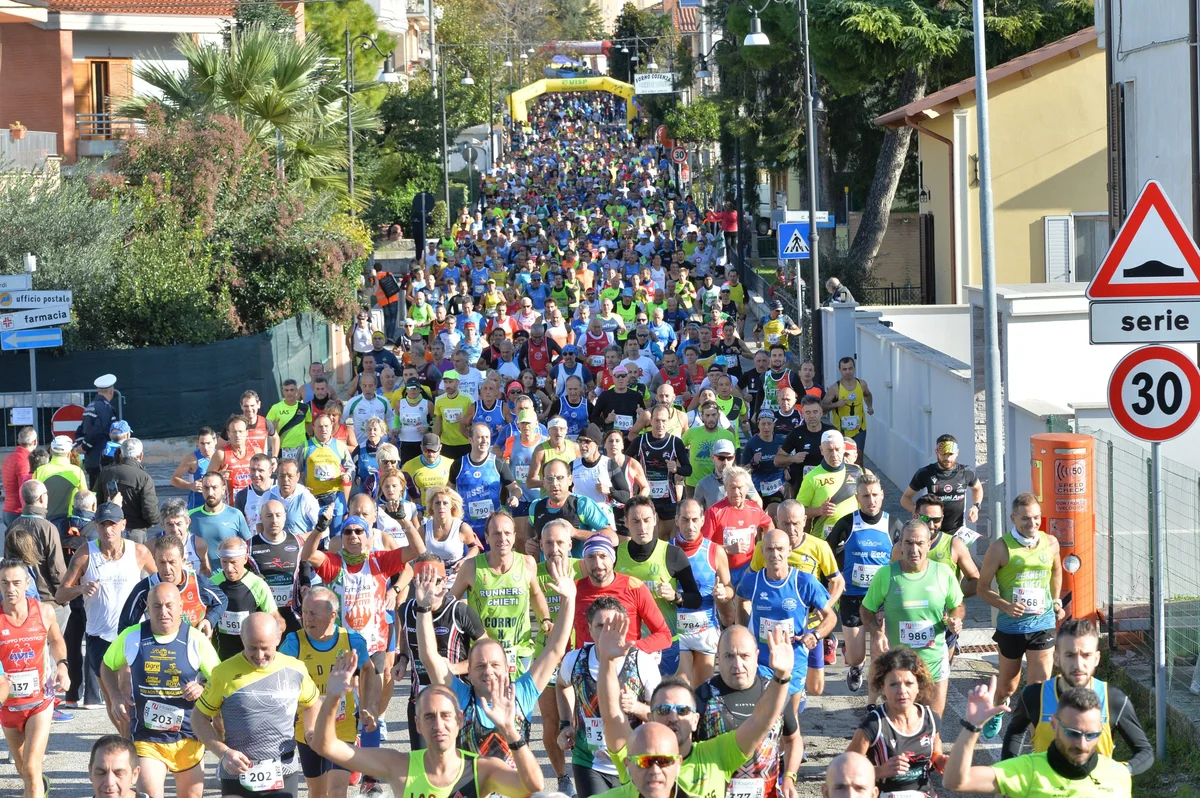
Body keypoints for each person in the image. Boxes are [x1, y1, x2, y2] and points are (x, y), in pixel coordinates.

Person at [594, 612, 795, 798]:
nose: (673, 717)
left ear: (695, 719)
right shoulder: (636, 754)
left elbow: (760, 720)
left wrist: (782, 676)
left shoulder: (716, 754)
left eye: (682, 710)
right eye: (664, 710)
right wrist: (607, 661)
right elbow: (612, 717)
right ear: (651, 717)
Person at [310, 651, 546, 798]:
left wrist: (512, 733)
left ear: (459, 720)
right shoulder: (399, 765)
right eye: (429, 717)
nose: (438, 725)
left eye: (446, 716)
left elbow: (533, 785)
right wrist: (332, 698)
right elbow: (326, 746)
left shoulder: (481, 769)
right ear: (418, 724)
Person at [415, 555, 577, 763]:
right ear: (469, 672)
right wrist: (424, 608)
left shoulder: (521, 694)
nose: (488, 671)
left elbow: (555, 650)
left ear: (508, 668)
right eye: (480, 666)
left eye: (495, 665)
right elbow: (429, 657)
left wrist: (569, 599)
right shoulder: (462, 697)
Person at [101, 583, 220, 798]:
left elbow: (220, 681)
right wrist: (115, 696)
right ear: (147, 608)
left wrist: (203, 688)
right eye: (156, 606)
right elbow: (107, 665)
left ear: (181, 607)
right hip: (147, 737)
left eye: (169, 605)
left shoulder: (195, 639)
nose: (163, 612)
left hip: (188, 736)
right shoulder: (132, 636)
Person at [1001, 617, 1152, 774]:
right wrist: (1008, 776)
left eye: (1086, 655)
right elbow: (1015, 733)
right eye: (1070, 655)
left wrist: (1121, 771)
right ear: (1056, 658)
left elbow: (1145, 752)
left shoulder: (1113, 700)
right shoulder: (1034, 696)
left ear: (1096, 658)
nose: (1079, 665)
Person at [192, 613, 320, 798]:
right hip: (237, 771)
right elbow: (198, 717)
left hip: (283, 770)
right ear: (242, 638)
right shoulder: (223, 673)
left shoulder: (296, 668)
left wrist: (310, 730)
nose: (259, 656)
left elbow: (312, 703)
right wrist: (223, 753)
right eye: (252, 648)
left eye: (265, 648)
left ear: (278, 638)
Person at [943, 676, 1132, 797]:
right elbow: (955, 781)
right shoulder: (1027, 771)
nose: (1082, 744)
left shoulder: (1119, 775)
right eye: (1072, 733)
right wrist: (972, 726)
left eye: (1091, 734)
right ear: (1054, 725)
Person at [55, 502, 155, 721]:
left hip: (131, 635)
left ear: (123, 524)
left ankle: (130, 746)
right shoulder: (85, 554)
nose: (108, 530)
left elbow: (161, 583)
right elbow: (60, 595)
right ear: (95, 526)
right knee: (112, 699)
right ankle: (124, 742)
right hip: (99, 636)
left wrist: (152, 603)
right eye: (102, 525)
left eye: (112, 524)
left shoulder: (138, 552)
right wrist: (80, 588)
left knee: (128, 694)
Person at [977, 492, 1065, 738]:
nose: (1033, 524)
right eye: (1026, 519)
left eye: (1037, 518)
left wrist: (1056, 601)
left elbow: (1057, 570)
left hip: (1043, 622)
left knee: (1038, 687)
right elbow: (982, 588)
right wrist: (1005, 605)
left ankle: (1037, 737)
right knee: (1009, 685)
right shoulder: (1000, 548)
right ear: (1013, 518)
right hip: (1012, 627)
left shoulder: (1051, 543)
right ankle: (997, 709)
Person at [556, 597, 662, 798]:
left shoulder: (643, 663)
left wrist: (637, 707)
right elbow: (561, 686)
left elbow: (661, 717)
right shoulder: (575, 660)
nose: (607, 631)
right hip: (589, 761)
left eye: (612, 625)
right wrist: (565, 724)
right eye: (600, 625)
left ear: (623, 626)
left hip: (633, 761)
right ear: (589, 628)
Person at [279, 587, 376, 798]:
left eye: (314, 613)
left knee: (338, 790)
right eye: (304, 612)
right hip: (307, 728)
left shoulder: (351, 641)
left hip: (343, 726)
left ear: (333, 615)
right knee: (317, 793)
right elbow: (275, 677)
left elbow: (369, 670)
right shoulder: (293, 644)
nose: (307, 618)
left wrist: (368, 706)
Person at [861, 519, 964, 717]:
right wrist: (876, 633)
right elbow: (866, 609)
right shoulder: (886, 575)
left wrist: (955, 619)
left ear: (928, 544)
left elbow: (957, 606)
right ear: (900, 545)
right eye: (908, 543)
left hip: (934, 664)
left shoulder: (943, 573)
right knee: (902, 728)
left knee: (933, 728)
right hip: (899, 669)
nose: (914, 549)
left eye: (919, 543)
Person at [693, 624, 801, 798]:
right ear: (718, 656)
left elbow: (793, 739)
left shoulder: (774, 692)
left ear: (756, 656)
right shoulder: (701, 697)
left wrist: (789, 777)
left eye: (744, 656)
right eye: (729, 656)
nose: (738, 664)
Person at [736, 528, 835, 716]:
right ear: (762, 552)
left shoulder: (804, 582)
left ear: (789, 550)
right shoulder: (752, 581)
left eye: (780, 549)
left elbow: (831, 617)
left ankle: (793, 745)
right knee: (766, 713)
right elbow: (741, 599)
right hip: (762, 660)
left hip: (794, 658)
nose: (775, 554)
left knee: (790, 717)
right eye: (770, 549)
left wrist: (815, 634)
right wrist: (743, 633)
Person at [395, 554, 486, 748]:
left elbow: (486, 655)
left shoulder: (459, 612)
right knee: (421, 763)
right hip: (420, 698)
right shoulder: (406, 610)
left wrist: (453, 668)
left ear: (444, 581)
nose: (429, 587)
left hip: (454, 698)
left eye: (434, 581)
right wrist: (403, 658)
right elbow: (405, 633)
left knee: (457, 764)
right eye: (422, 580)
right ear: (414, 581)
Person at [450, 512, 550, 679]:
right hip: (483, 652)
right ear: (487, 538)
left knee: (519, 703)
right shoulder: (471, 567)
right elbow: (451, 603)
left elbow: (536, 593)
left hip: (519, 651)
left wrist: (545, 619)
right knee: (486, 703)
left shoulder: (527, 563)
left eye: (507, 533)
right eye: (496, 533)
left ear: (514, 536)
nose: (502, 538)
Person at [0, 558, 69, 798]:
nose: (11, 589)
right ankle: (39, 785)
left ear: (27, 583)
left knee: (30, 767)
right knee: (23, 770)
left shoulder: (44, 611)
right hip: (8, 705)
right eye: (5, 583)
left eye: (16, 582)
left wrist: (62, 666)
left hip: (40, 702)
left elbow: (56, 640)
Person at [615, 496, 703, 676]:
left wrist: (676, 597)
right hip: (627, 643)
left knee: (660, 699)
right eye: (636, 521)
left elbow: (696, 599)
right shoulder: (615, 555)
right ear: (626, 522)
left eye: (647, 520)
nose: (642, 527)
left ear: (655, 519)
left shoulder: (672, 554)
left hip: (663, 643)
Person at [846, 647, 944, 796]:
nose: (902, 691)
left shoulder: (931, 719)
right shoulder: (874, 724)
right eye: (893, 684)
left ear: (919, 686)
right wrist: (880, 771)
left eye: (909, 683)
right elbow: (845, 768)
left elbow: (936, 753)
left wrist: (941, 761)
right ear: (882, 688)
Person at [824, 476, 891, 694]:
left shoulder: (892, 524)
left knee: (881, 650)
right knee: (856, 656)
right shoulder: (847, 522)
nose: (871, 500)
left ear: (882, 495)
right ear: (857, 498)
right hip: (852, 595)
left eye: (874, 495)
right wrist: (835, 579)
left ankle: (879, 689)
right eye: (866, 496)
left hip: (881, 599)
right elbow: (827, 552)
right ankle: (856, 666)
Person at [903, 493, 980, 663]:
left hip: (944, 623)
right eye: (925, 518)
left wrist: (949, 597)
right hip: (911, 622)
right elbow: (890, 580)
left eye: (936, 520)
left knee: (941, 677)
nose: (931, 525)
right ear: (915, 516)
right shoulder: (901, 547)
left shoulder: (954, 545)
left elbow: (976, 581)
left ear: (942, 519)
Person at [574, 534, 673, 654]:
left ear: (613, 558)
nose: (598, 564)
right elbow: (563, 636)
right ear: (584, 561)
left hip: (626, 664)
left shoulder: (634, 587)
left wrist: (628, 650)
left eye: (603, 556)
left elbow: (664, 636)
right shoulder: (574, 589)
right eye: (591, 557)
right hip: (586, 667)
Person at [119, 535, 227, 638]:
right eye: (162, 562)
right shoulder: (145, 588)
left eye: (172, 562)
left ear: (183, 561)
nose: (167, 568)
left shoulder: (199, 583)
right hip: (159, 652)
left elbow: (222, 600)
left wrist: (209, 620)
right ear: (155, 561)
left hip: (194, 649)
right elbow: (125, 625)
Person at [209, 537, 284, 661]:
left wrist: (273, 638)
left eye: (233, 562)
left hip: (250, 656)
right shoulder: (212, 583)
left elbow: (276, 618)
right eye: (224, 562)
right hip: (221, 654)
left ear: (245, 559)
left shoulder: (257, 584)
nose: (228, 568)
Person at [249, 499, 313, 636]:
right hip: (264, 615)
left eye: (278, 515)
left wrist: (306, 584)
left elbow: (304, 564)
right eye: (269, 516)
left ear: (285, 516)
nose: (274, 520)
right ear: (261, 518)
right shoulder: (249, 546)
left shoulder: (297, 541)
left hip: (293, 612)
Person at [701, 466, 773, 589]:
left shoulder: (754, 509)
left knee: (746, 605)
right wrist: (726, 549)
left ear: (747, 488)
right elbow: (703, 545)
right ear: (725, 488)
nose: (736, 492)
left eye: (740, 488)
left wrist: (764, 546)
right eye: (732, 487)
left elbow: (768, 525)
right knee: (727, 605)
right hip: (724, 568)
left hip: (749, 567)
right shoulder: (714, 512)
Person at [901, 434, 983, 534]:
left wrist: (976, 506)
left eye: (950, 454)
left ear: (957, 453)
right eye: (943, 454)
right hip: (931, 531)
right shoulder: (925, 473)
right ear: (936, 452)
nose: (947, 458)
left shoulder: (966, 472)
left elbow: (977, 488)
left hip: (957, 531)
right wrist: (916, 509)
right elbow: (905, 498)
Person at [4, 480, 66, 601]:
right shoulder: (48, 528)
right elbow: (57, 568)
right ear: (42, 498)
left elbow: (8, 564)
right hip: (47, 597)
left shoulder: (12, 526)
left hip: (20, 596)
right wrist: (63, 597)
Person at [797, 430, 862, 541]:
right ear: (822, 450)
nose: (834, 455)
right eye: (829, 450)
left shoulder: (856, 471)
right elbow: (798, 511)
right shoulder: (812, 477)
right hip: (823, 540)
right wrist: (818, 511)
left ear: (843, 448)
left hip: (852, 536)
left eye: (837, 449)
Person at [96, 438, 160, 543]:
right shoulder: (144, 477)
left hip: (110, 528)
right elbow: (150, 511)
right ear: (141, 456)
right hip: (136, 531)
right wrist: (151, 522)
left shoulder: (105, 473)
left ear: (121, 453)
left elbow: (98, 503)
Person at [187, 472, 253, 571]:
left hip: (228, 579)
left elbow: (248, 547)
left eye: (214, 487)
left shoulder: (235, 514)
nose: (210, 493)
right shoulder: (190, 516)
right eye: (206, 488)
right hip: (200, 580)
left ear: (223, 489)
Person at [33, 435, 88, 535]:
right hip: (68, 523)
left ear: (51, 451)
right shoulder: (77, 472)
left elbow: (32, 497)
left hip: (44, 520)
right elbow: (85, 499)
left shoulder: (39, 471)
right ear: (69, 453)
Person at [822, 357, 872, 456]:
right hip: (841, 430)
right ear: (840, 370)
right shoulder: (835, 388)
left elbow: (868, 394)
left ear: (854, 368)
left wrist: (870, 406)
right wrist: (836, 404)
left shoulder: (861, 384)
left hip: (859, 429)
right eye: (844, 369)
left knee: (858, 457)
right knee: (843, 457)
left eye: (850, 368)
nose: (848, 372)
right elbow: (822, 407)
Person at [693, 439, 760, 510]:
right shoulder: (703, 484)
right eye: (721, 458)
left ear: (734, 457)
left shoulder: (744, 480)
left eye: (729, 458)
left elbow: (757, 503)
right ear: (713, 457)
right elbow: (695, 511)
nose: (725, 462)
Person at [78, 374, 118, 485]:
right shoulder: (104, 407)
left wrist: (82, 445)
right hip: (102, 458)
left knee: (94, 491)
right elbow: (98, 430)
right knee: (104, 493)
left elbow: (80, 429)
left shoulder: (91, 405)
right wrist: (85, 446)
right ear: (111, 391)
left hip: (91, 458)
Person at [169, 428, 217, 512]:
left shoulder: (221, 456)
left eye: (208, 443)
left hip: (217, 505)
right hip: (198, 506)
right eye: (202, 443)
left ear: (215, 441)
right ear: (197, 443)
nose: (206, 447)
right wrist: (190, 485)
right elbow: (174, 479)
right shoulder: (192, 458)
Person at [2, 426, 37, 527]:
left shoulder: (11, 457)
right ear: (35, 441)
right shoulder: (24, 460)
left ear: (19, 440)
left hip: (8, 509)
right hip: (18, 512)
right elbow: (25, 489)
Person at [233, 453, 275, 536]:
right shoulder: (242, 495)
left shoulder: (279, 490)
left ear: (270, 471)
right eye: (253, 470)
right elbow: (239, 526)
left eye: (261, 470)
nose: (256, 474)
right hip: (255, 544)